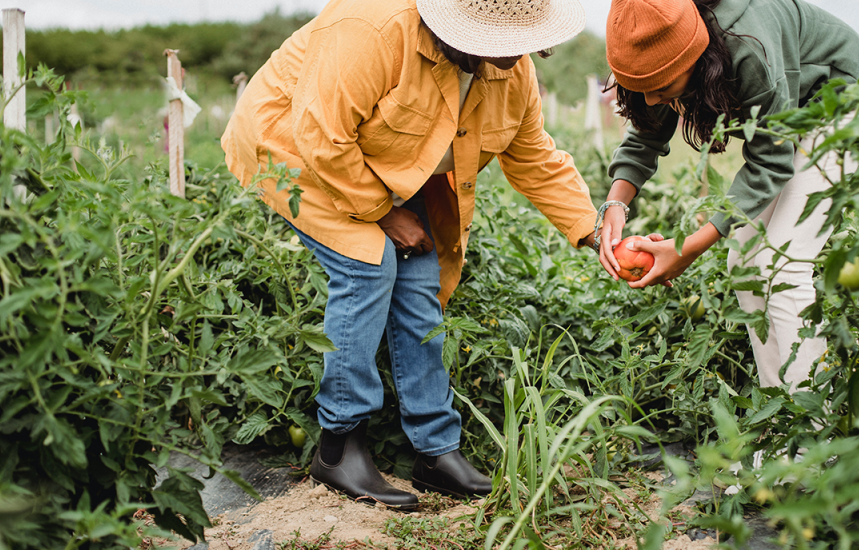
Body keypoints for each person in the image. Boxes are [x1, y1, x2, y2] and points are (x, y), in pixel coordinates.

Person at [221, 0, 599, 510]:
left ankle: (435, 451)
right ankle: (339, 446)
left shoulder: (513, 70)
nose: (514, 55)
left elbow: (534, 157)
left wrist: (596, 234)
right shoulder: (370, 30)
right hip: (295, 150)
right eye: (499, 39)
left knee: (421, 276)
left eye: (522, 39)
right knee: (368, 263)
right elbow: (322, 139)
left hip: (383, 161)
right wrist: (384, 213)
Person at [596, 0, 859, 389]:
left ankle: (814, 431)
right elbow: (647, 131)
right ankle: (781, 419)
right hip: (795, 120)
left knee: (783, 265)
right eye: (641, 89)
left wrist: (687, 248)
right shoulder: (668, 37)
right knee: (743, 262)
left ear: (695, 56)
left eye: (661, 87)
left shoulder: (746, 43)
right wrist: (615, 204)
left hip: (846, 105)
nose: (654, 100)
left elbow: (771, 161)